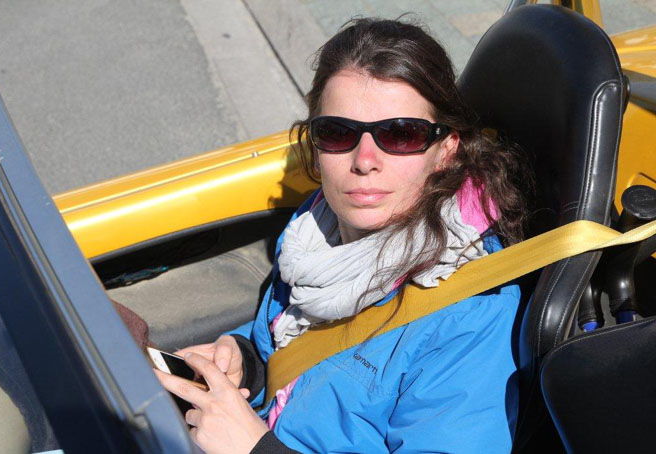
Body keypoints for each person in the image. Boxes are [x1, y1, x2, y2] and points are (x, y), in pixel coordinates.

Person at [155, 17, 531, 454]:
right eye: (338, 133)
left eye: (401, 134)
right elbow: (292, 351)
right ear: (315, 144)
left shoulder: (470, 316)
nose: (364, 160)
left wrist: (256, 448)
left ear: (446, 149)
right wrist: (246, 363)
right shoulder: (316, 228)